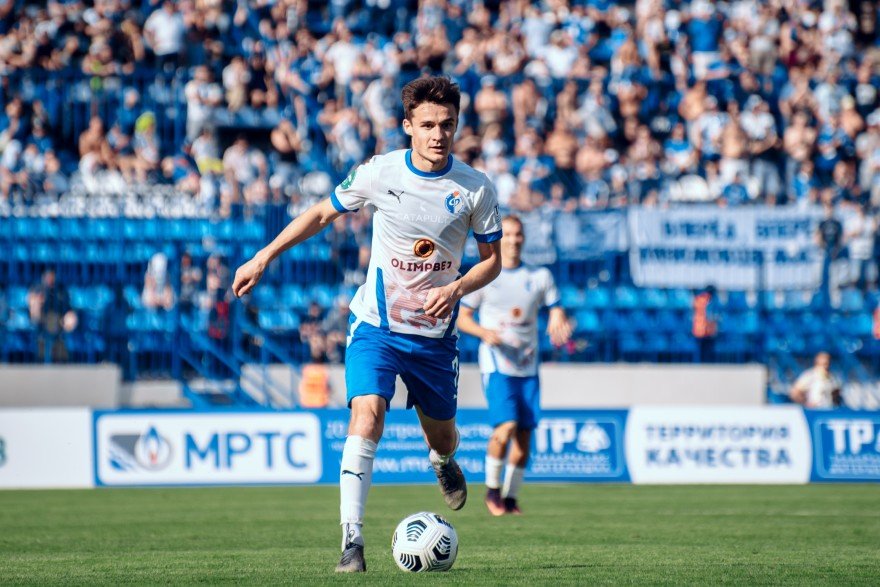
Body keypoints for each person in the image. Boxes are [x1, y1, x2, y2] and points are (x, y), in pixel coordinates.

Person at [232, 76, 502, 573]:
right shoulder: (380, 172)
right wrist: (262, 256)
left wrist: (457, 288)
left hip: (435, 338)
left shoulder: (475, 188)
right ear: (408, 126)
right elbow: (321, 214)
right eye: (427, 125)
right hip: (376, 325)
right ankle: (351, 542)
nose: (438, 134)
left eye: (446, 124)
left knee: (442, 438)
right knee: (368, 414)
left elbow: (493, 262)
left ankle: (442, 463)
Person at [457, 215, 572, 516]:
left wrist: (558, 316)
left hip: (528, 364)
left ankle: (510, 499)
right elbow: (462, 318)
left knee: (524, 437)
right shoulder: (484, 275)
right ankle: (492, 492)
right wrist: (484, 333)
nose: (513, 240)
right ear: (499, 238)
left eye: (518, 234)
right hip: (497, 363)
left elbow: (555, 307)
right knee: (505, 426)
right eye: (507, 234)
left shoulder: (540, 276)